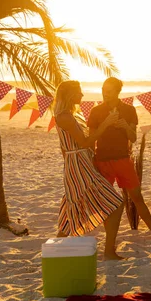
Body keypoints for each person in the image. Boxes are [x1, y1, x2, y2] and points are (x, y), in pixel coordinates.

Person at [88, 77, 151, 245]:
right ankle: (110, 242)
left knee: (137, 197)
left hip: (123, 160)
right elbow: (91, 139)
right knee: (107, 201)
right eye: (103, 90)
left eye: (109, 91)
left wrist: (125, 126)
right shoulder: (96, 111)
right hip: (102, 161)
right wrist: (106, 123)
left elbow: (133, 138)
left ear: (117, 92)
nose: (105, 94)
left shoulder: (129, 110)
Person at [53, 80, 124, 260]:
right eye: (79, 92)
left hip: (80, 163)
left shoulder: (70, 115)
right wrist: (106, 123)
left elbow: (70, 148)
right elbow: (84, 142)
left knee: (74, 205)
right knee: (115, 203)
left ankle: (55, 248)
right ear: (70, 95)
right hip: (78, 165)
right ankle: (108, 252)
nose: (82, 95)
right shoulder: (64, 117)